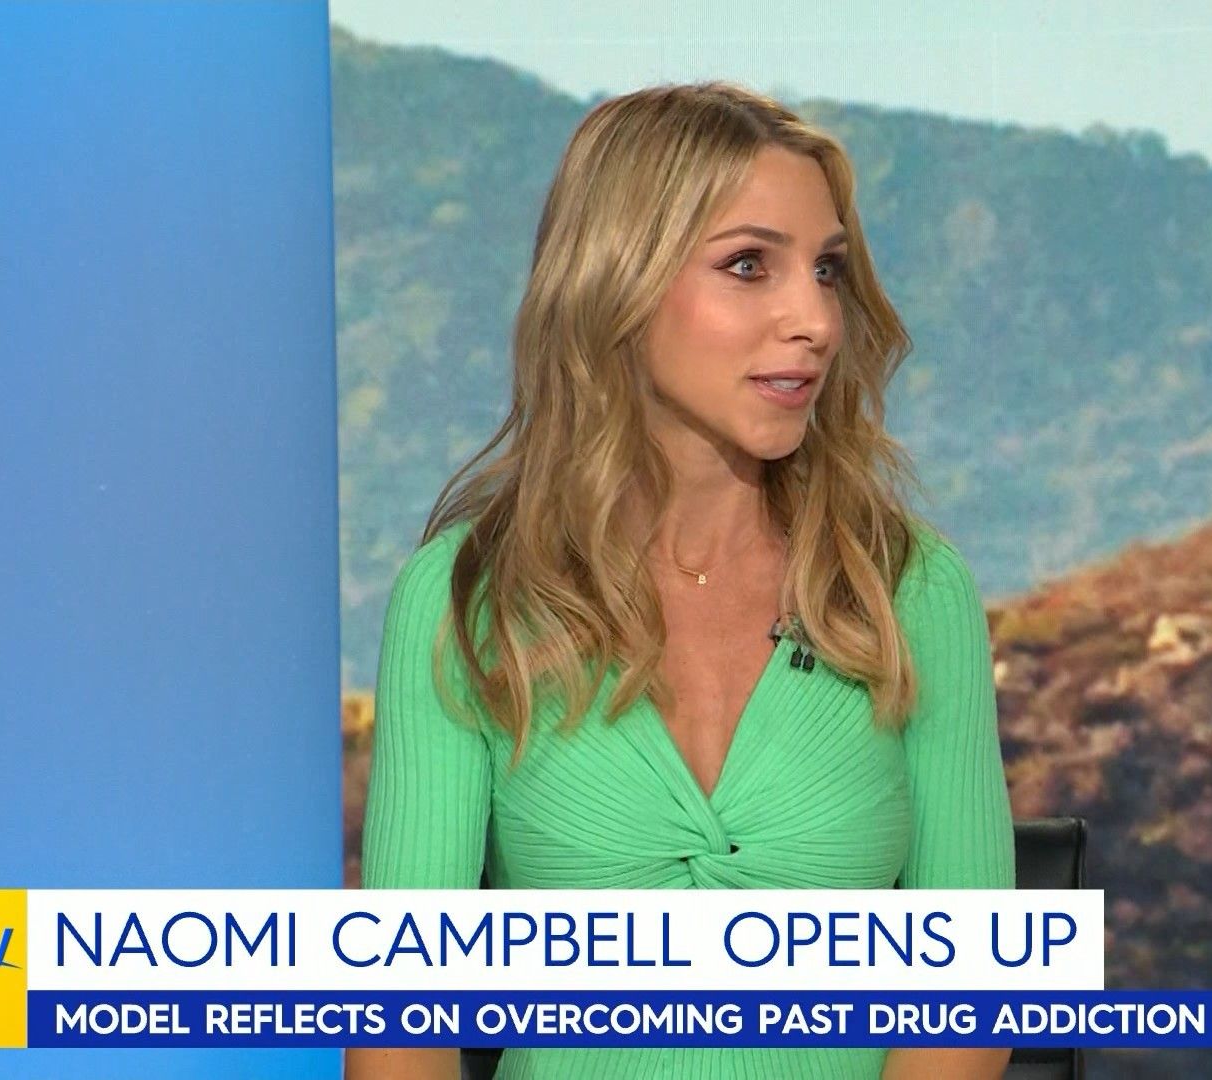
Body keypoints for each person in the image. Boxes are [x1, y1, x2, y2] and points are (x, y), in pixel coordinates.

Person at [345, 81, 1014, 1080]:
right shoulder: (467, 599)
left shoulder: (909, 591)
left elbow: (968, 1007)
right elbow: (402, 1032)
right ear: (618, 281)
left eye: (827, 270)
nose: (814, 320)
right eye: (749, 265)